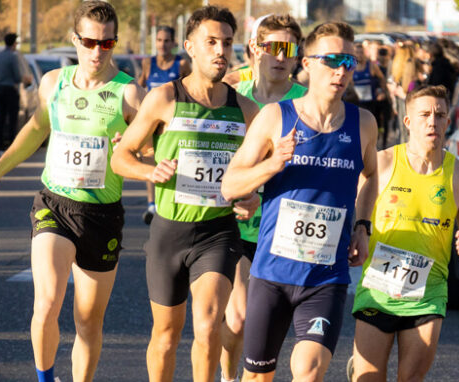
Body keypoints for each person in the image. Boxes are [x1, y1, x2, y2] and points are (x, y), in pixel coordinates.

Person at [0, 2, 145, 381]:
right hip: (54, 204)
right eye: (89, 42)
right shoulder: (54, 83)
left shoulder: (129, 94)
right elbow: (35, 130)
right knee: (47, 303)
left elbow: (152, 148)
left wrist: (133, 146)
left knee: (88, 322)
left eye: (107, 43)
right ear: (74, 40)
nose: (97, 51)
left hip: (101, 215)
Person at [221, 21, 378, 382]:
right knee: (259, 376)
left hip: (326, 274)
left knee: (308, 370)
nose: (341, 70)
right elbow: (230, 185)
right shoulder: (276, 117)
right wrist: (274, 163)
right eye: (332, 60)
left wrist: (362, 226)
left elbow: (370, 177)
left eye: (349, 62)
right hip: (272, 273)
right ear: (307, 63)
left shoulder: (363, 123)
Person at [109, 6, 259, 382]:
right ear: (190, 47)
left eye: (226, 42)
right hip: (168, 233)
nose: (220, 51)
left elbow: (264, 168)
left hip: (218, 231)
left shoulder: (246, 109)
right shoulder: (164, 98)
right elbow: (121, 157)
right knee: (166, 334)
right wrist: (150, 170)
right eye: (211, 42)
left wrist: (253, 194)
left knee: (208, 327)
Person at [349, 85, 459, 382]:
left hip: (427, 294)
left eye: (440, 115)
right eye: (424, 115)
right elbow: (356, 214)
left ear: (448, 121)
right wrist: (358, 234)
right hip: (378, 289)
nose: (432, 121)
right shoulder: (382, 163)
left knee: (409, 378)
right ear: (408, 122)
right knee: (367, 378)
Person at [219, 13, 307, 382]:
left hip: (284, 226)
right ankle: (228, 377)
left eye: (289, 49)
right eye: (272, 47)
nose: (281, 56)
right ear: (256, 49)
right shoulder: (232, 95)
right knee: (236, 319)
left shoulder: (307, 100)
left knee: (267, 323)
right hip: (235, 222)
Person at [138, 25, 192, 225]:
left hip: (174, 123)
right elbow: (140, 84)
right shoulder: (147, 63)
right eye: (159, 40)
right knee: (149, 159)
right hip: (153, 121)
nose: (162, 44)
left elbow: (191, 89)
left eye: (166, 41)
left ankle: (172, 199)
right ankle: (152, 203)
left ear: (173, 43)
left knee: (172, 162)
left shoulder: (182, 64)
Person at [0, 33, 29, 154]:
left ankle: (0, 146)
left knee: (1, 118)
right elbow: (17, 76)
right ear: (14, 43)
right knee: (13, 119)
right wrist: (24, 79)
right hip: (10, 90)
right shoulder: (13, 56)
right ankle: (12, 147)